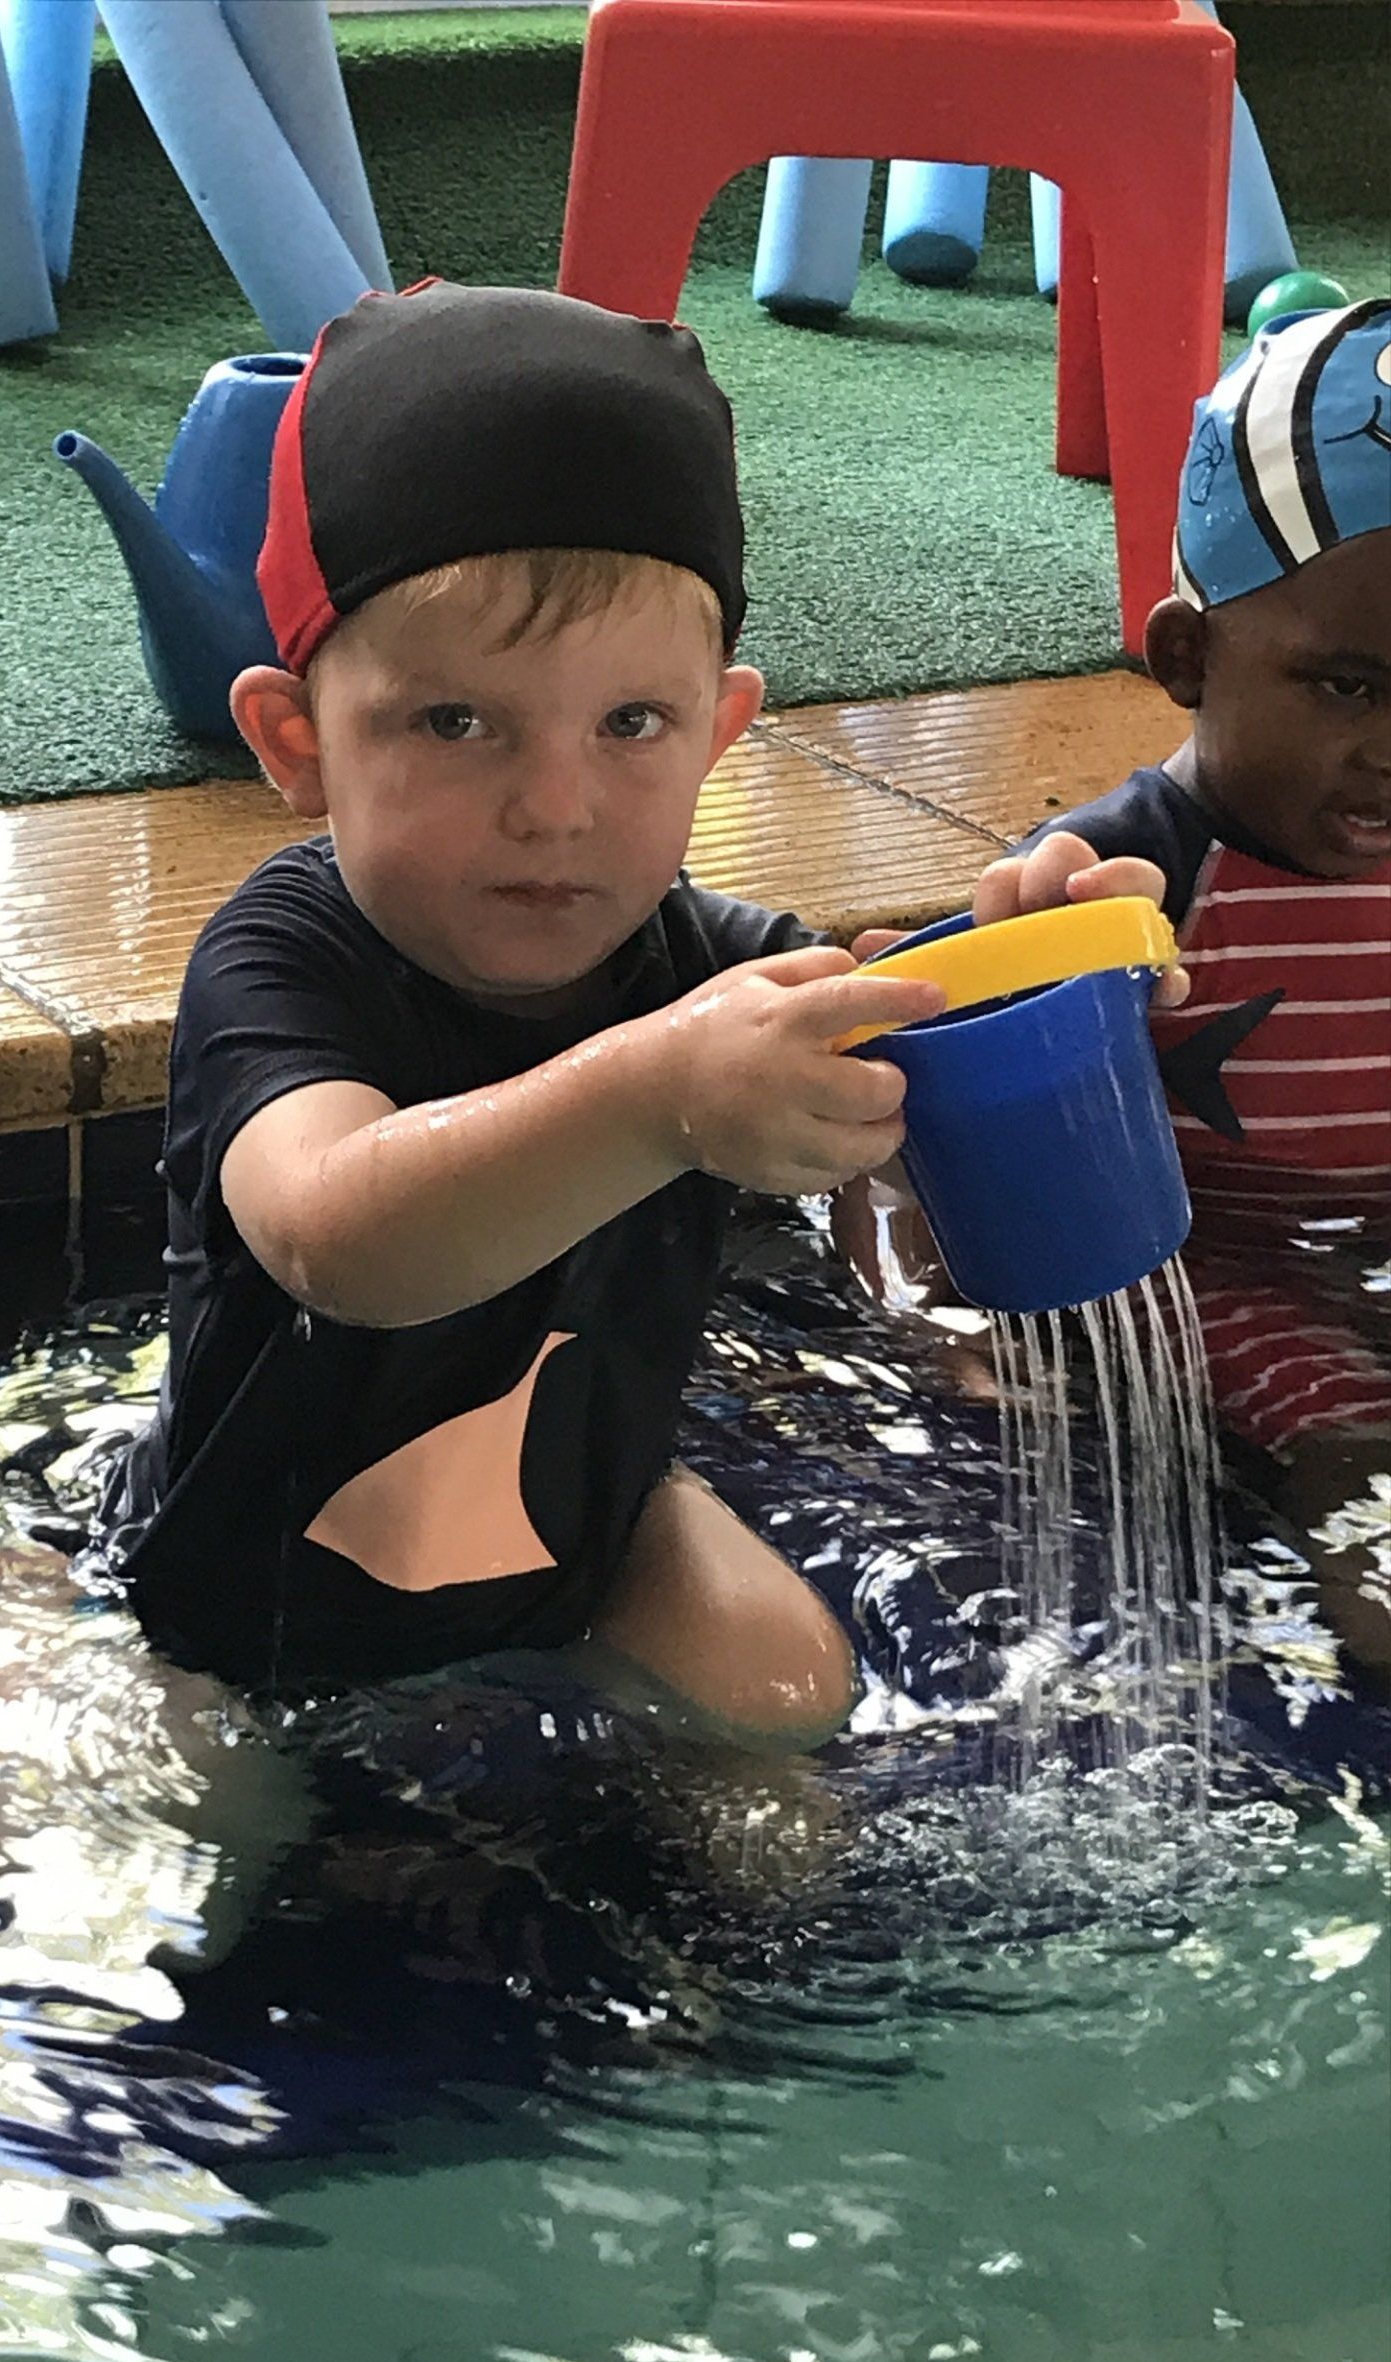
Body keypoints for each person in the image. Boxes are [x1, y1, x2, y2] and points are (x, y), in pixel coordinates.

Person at [97, 281, 1168, 1738]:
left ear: (719, 731)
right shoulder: (283, 959)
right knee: (196, 1831)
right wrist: (656, 1100)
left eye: (630, 724)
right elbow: (338, 1239)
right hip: (240, 1585)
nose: (555, 807)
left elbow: (927, 1184)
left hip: (579, 1518)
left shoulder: (715, 969)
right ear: (299, 743)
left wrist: (1021, 1006)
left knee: (786, 1699)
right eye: (454, 722)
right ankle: (48, 1593)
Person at [910, 298, 1391, 1674]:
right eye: (1349, 687)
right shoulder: (1116, 883)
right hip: (1221, 1274)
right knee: (1363, 1479)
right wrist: (928, 1308)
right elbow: (904, 1106)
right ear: (1186, 657)